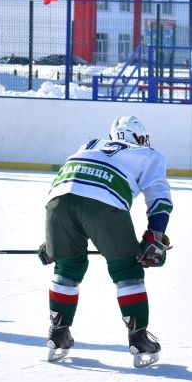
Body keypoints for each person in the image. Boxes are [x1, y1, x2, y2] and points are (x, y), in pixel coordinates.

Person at [39, 115, 173, 367]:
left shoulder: (89, 144)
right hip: (104, 204)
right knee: (126, 270)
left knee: (67, 267)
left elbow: (69, 187)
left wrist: (52, 241)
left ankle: (57, 334)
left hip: (58, 202)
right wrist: (154, 236)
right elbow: (160, 200)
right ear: (139, 137)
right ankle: (139, 338)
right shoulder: (149, 154)